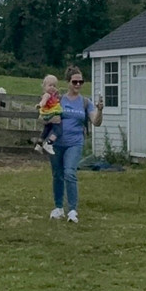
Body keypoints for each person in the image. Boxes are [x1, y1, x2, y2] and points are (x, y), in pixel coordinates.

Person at [47, 65, 103, 224]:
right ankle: (58, 208)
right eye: (75, 82)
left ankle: (72, 210)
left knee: (70, 173)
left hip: (75, 143)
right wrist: (51, 119)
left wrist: (100, 110)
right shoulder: (58, 100)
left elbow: (96, 122)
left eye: (81, 82)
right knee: (57, 175)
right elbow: (43, 118)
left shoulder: (85, 102)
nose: (78, 85)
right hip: (56, 143)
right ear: (68, 82)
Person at [34, 74, 63, 155]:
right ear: (44, 87)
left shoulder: (53, 95)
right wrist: (40, 105)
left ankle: (39, 144)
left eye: (54, 85)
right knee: (58, 130)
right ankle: (49, 143)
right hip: (52, 115)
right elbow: (43, 102)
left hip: (48, 116)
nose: (52, 87)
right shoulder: (47, 95)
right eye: (50, 85)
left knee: (47, 130)